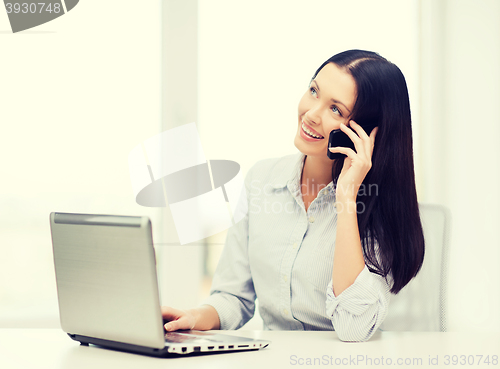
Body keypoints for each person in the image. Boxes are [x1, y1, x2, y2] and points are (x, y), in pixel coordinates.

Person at [161, 50, 425, 342]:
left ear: (363, 133)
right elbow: (234, 296)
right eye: (314, 91)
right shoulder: (261, 179)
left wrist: (346, 199)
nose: (311, 114)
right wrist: (194, 317)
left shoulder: (376, 207)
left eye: (335, 110)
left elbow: (354, 329)